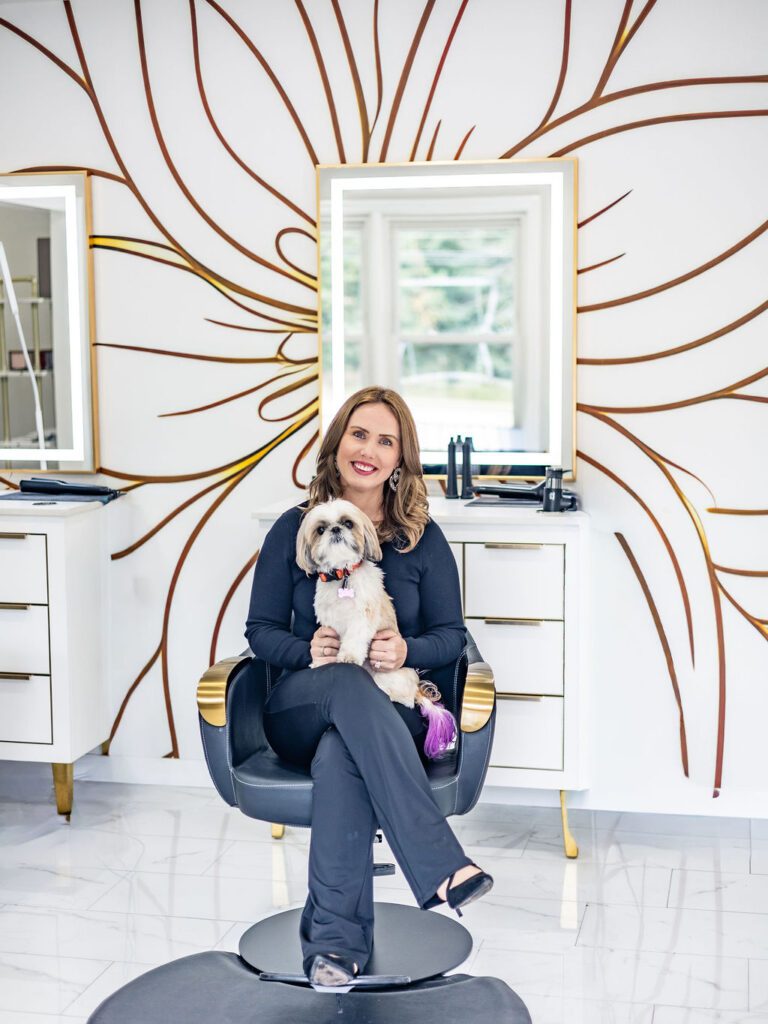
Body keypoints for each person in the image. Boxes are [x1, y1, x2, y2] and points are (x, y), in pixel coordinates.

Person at [244, 385, 493, 987]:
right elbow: (260, 630)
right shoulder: (295, 528)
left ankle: (333, 951)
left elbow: (452, 637)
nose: (370, 451)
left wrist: (406, 648)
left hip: (388, 709)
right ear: (337, 444)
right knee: (343, 687)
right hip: (302, 705)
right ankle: (439, 862)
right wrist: (307, 649)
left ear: (401, 458)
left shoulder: (420, 538)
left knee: (342, 754)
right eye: (360, 434)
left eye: (387, 441)